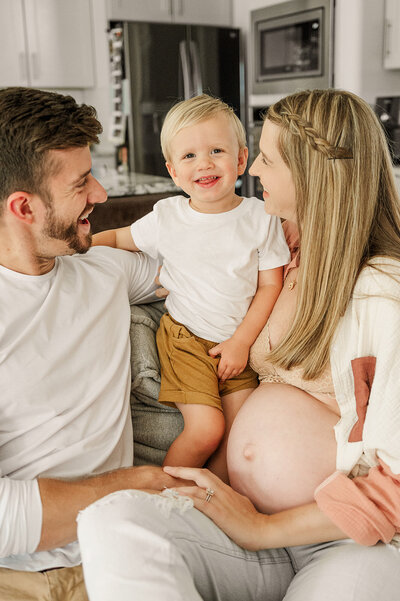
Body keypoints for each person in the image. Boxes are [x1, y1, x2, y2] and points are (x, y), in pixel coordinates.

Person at [78, 88, 400, 601]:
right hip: (240, 519)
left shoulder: (384, 292)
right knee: (111, 518)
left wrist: (263, 529)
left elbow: (396, 485)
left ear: (315, 172)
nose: (254, 172)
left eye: (267, 159)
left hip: (337, 540)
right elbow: (176, 255)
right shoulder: (280, 241)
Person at [0, 86, 187, 601]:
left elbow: (208, 272)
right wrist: (131, 486)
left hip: (123, 553)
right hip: (16, 578)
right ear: (24, 206)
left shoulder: (103, 271)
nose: (101, 195)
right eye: (81, 183)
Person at [92, 94, 289, 480]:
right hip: (185, 339)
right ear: (173, 171)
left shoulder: (260, 217)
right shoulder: (167, 216)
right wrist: (78, 248)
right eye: (189, 156)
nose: (204, 163)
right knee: (207, 429)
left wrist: (241, 343)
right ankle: (164, 492)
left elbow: (270, 286)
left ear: (240, 159)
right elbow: (117, 239)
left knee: (237, 433)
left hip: (238, 345)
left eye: (216, 150)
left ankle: (208, 498)